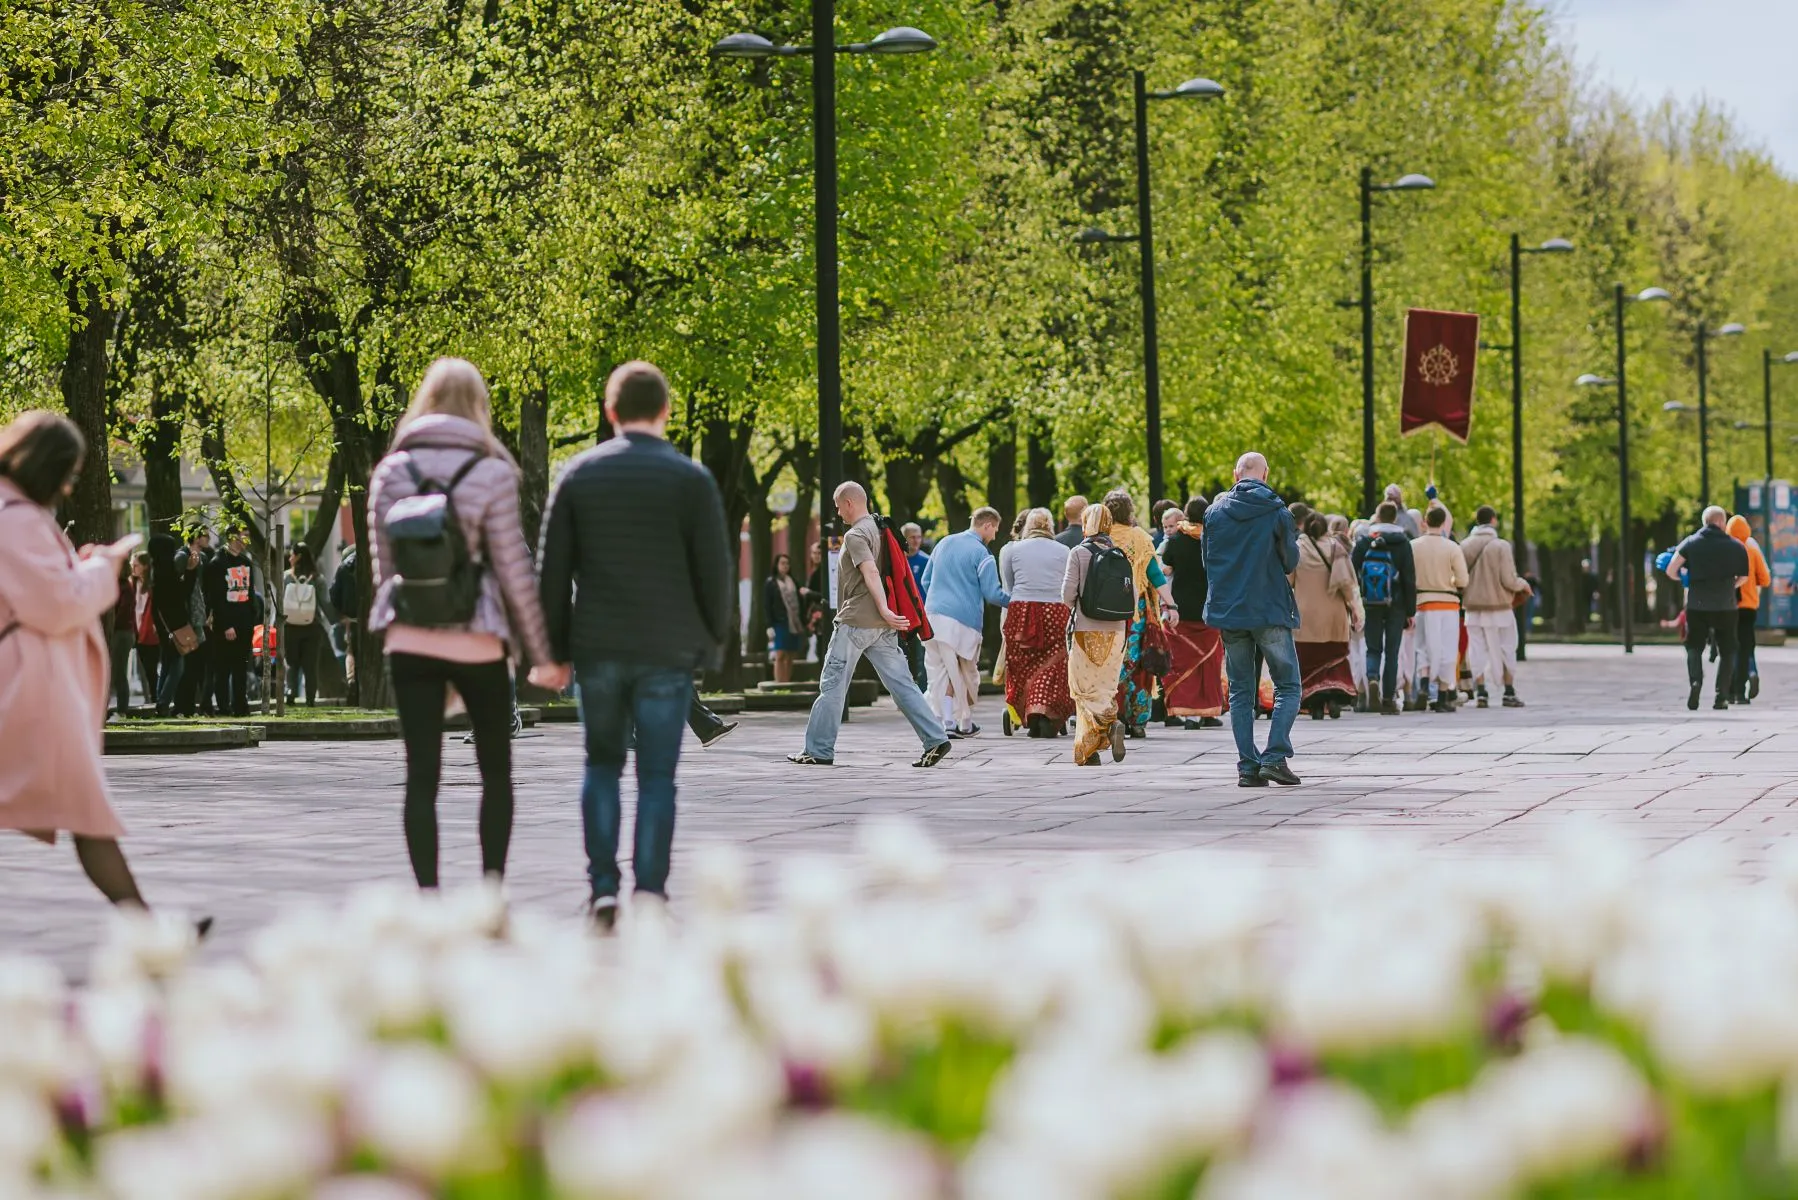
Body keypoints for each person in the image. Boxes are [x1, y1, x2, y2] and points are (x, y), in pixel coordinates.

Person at [536, 361, 731, 923]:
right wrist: (713, 644)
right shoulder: (692, 481)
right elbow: (715, 572)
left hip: (597, 645)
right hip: (667, 651)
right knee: (658, 775)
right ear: (666, 412)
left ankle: (602, 887)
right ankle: (649, 893)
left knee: (600, 765)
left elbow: (552, 573)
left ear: (610, 411)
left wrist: (551, 652)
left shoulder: (578, 475)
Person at [0, 411, 199, 920]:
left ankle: (150, 934)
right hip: (32, 695)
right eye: (68, 472)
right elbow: (55, 603)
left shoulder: (13, 512)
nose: (69, 486)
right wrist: (104, 566)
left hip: (34, 691)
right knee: (90, 817)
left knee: (90, 817)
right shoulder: (16, 516)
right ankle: (152, 938)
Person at [370, 357, 555, 892]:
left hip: (410, 641)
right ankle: (490, 892)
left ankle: (428, 894)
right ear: (479, 405)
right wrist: (541, 654)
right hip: (479, 642)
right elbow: (514, 573)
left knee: (421, 776)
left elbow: (386, 570)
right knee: (495, 774)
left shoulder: (390, 473)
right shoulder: (494, 472)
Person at [790, 482, 952, 769]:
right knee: (903, 685)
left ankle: (818, 749)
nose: (838, 512)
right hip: (882, 627)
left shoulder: (855, 535)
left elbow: (871, 572)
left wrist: (885, 610)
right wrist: (887, 615)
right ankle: (936, 738)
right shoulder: (881, 528)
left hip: (856, 622)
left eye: (838, 506)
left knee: (833, 685)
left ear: (850, 503)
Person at [1203, 452, 1302, 787]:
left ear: (1235, 475)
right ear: (1266, 474)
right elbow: (1290, 561)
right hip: (1269, 606)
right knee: (1288, 684)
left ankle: (1248, 765)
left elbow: (1209, 562)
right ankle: (1274, 757)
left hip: (1231, 610)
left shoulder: (1214, 513)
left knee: (1241, 691)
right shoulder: (1277, 512)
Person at [920, 507, 1010, 738]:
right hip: (963, 621)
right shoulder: (982, 554)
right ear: (987, 525)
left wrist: (938, 601)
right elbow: (992, 594)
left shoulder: (943, 543)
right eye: (995, 531)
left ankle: (949, 720)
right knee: (964, 671)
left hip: (932, 618)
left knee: (942, 671)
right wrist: (1016, 602)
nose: (994, 536)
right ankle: (962, 721)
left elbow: (925, 580)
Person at [1062, 502, 1132, 765]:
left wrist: (1080, 607)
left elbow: (1067, 595)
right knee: (1104, 688)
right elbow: (1131, 597)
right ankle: (1096, 742)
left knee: (1082, 688)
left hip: (1086, 630)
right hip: (1116, 632)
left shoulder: (1079, 553)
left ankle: (1103, 732)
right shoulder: (1119, 552)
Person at [1104, 490, 1178, 738]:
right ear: (1129, 511)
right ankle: (1137, 719)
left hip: (1104, 612)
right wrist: (1171, 605)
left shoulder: (1098, 538)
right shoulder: (1139, 538)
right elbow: (1155, 574)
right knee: (1138, 666)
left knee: (1109, 663)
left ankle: (1112, 714)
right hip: (1135, 613)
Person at [998, 508, 1073, 738]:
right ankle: (1048, 711)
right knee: (1055, 661)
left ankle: (1029, 711)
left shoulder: (1012, 550)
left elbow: (1009, 586)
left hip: (1022, 608)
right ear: (1050, 526)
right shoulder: (1064, 550)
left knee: (1022, 662)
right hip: (1055, 608)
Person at [1667, 506, 1750, 711]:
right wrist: (1730, 586)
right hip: (1726, 605)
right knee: (1728, 650)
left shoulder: (1690, 542)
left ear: (1705, 522)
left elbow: (1671, 569)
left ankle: (1696, 681)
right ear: (1723, 522)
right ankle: (1721, 696)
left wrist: (1684, 580)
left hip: (1697, 605)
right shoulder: (1737, 546)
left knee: (1693, 646)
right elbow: (1744, 577)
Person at [1159, 497, 1225, 729]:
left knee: (1183, 661)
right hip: (1209, 609)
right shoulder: (1215, 540)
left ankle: (1187, 714)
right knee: (1209, 662)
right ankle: (1208, 712)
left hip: (1182, 610)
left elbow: (1165, 567)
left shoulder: (1176, 541)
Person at [1461, 506, 1533, 709]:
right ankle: (1508, 691)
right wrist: (1523, 585)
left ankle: (1481, 691)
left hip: (1473, 608)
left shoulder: (1465, 546)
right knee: (1507, 648)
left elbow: (1459, 578)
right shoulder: (1501, 546)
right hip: (1499, 608)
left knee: (1476, 650)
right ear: (1493, 520)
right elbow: (1508, 580)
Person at [1293, 511, 1362, 720]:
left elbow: (1287, 582)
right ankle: (1333, 697)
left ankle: (1314, 704)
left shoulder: (1297, 550)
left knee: (1309, 659)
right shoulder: (1336, 548)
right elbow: (1348, 585)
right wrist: (1357, 611)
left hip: (1306, 618)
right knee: (1333, 657)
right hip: (1334, 615)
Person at [1352, 502, 1418, 715]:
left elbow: (1353, 573)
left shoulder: (1364, 541)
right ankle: (1388, 699)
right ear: (1395, 519)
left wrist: (1356, 604)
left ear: (1377, 517)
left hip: (1370, 602)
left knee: (1373, 648)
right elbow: (1409, 578)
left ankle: (1372, 678)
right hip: (1396, 603)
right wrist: (1410, 611)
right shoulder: (1403, 542)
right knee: (1392, 651)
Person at [1410, 505, 1468, 713]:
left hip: (1422, 602)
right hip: (1448, 603)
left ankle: (1424, 687)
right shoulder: (1452, 547)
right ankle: (1443, 695)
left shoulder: (1413, 546)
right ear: (1444, 523)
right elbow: (1463, 579)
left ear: (1425, 521)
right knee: (1447, 650)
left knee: (1424, 647)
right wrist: (1450, 580)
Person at [204, 525, 258, 716]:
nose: (247, 540)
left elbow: (250, 593)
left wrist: (252, 617)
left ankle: (240, 705)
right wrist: (226, 624)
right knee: (223, 667)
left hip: (245, 622)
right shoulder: (217, 563)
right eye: (244, 536)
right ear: (232, 537)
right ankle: (223, 706)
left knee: (241, 667)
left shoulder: (246, 562)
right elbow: (216, 598)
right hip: (226, 624)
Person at [1726, 514, 1771, 704]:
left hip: (1727, 606)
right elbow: (1766, 579)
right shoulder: (1751, 549)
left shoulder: (1725, 548)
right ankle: (1740, 693)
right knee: (1745, 649)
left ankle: (1727, 690)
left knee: (1728, 648)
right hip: (1748, 606)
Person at [282, 544, 330, 705]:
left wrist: (276, 625)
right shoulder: (318, 579)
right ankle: (310, 699)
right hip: (312, 627)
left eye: (291, 555)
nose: (289, 558)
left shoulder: (286, 577)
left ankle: (291, 692)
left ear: (298, 557)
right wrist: (338, 620)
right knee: (310, 666)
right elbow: (325, 603)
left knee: (292, 663)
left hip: (290, 626)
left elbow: (280, 603)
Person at [765, 552, 804, 684]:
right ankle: (779, 682)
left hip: (794, 622)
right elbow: (767, 605)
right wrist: (769, 625)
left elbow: (800, 601)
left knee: (791, 654)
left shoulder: (793, 581)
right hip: (780, 622)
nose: (785, 566)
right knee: (780, 653)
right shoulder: (771, 583)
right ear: (776, 565)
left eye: (787, 563)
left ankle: (786, 682)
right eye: (782, 563)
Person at [330, 544, 361, 704]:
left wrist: (341, 614)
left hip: (351, 619)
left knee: (351, 652)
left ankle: (351, 682)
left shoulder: (343, 567)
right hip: (371, 619)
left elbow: (334, 594)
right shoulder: (370, 563)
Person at [130, 550, 160, 707]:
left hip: (150, 631)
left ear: (146, 567)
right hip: (137, 630)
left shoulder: (153, 585)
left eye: (136, 565)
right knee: (145, 668)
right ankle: (151, 697)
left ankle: (155, 698)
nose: (133, 568)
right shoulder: (133, 584)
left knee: (151, 667)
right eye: (132, 565)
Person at [108, 558, 138, 718]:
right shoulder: (121, 586)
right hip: (121, 632)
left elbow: (123, 612)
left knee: (119, 671)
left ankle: (122, 709)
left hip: (122, 632)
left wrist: (111, 626)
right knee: (116, 671)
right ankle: (120, 708)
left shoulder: (125, 587)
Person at [901, 523, 931, 596]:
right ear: (904, 538)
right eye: (912, 537)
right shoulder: (897, 560)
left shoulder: (927, 561)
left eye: (919, 537)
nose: (916, 541)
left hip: (922, 605)